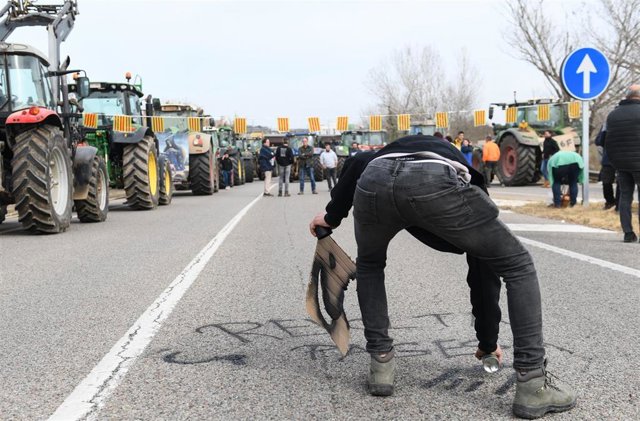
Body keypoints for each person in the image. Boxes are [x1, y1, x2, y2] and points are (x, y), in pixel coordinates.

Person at [308, 134, 576, 419]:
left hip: (374, 179)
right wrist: (487, 342)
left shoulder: (384, 152)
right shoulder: (463, 167)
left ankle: (381, 367)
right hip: (434, 179)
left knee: (370, 265)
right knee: (517, 264)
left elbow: (359, 161)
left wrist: (332, 216)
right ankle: (533, 383)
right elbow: (483, 268)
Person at [605, 84, 640, 243]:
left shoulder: (613, 115)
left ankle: (628, 233)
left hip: (620, 163)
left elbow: (607, 141)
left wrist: (614, 161)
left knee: (625, 197)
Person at [594, 124, 619, 210]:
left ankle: (610, 202)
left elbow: (598, 141)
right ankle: (621, 203)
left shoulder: (607, 123)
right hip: (626, 158)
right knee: (623, 182)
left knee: (607, 182)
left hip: (608, 158)